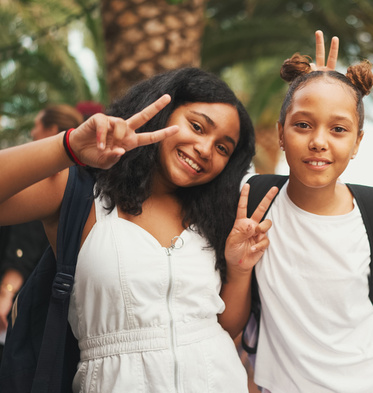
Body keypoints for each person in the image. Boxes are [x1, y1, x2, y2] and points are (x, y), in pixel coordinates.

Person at [0, 68, 278, 392]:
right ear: (161, 113)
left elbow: (226, 325)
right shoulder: (80, 193)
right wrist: (69, 147)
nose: (205, 149)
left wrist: (240, 270)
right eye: (198, 126)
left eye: (223, 148)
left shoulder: (213, 217)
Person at [246, 40, 373, 392]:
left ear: (357, 143)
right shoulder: (251, 200)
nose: (319, 141)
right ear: (280, 133)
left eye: (338, 129)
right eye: (303, 125)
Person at [0, 104, 84, 362]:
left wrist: (6, 293)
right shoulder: (80, 179)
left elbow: (24, 245)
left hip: (27, 300)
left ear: (51, 130)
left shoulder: (53, 179)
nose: (33, 132)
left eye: (38, 125)